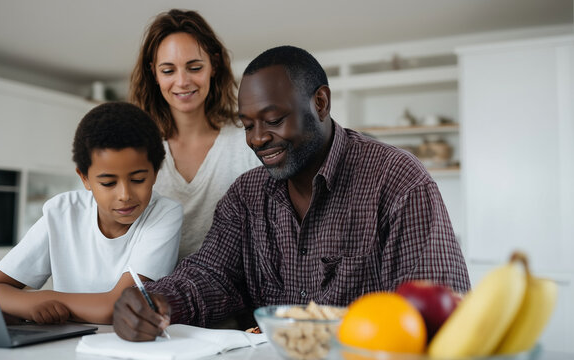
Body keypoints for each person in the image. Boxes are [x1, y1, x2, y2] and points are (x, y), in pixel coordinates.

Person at [113, 46, 471, 341]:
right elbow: (211, 274)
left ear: (320, 103)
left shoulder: (397, 181)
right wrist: (156, 300)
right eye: (248, 125)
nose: (257, 139)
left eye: (273, 120)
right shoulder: (246, 196)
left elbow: (439, 307)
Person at [0, 102, 183, 325]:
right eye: (108, 183)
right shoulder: (62, 212)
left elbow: (119, 307)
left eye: (138, 180)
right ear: (84, 178)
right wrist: (31, 305)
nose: (124, 194)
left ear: (155, 172)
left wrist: (41, 299)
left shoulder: (165, 214)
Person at [130, 9, 260, 262]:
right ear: (154, 74)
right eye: (168, 71)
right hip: (152, 295)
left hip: (234, 296)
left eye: (194, 67)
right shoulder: (136, 149)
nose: (182, 81)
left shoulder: (248, 142)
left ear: (214, 65)